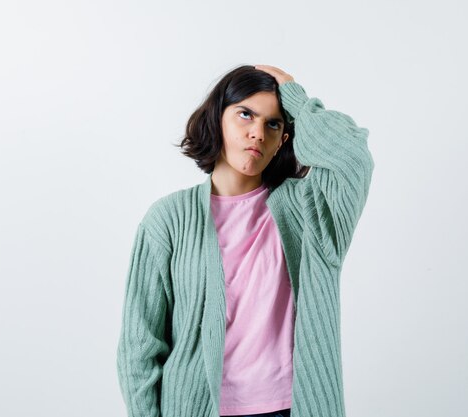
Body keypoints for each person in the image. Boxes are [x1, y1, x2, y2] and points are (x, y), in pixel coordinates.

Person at [116, 64, 375, 417]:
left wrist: (297, 101)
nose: (257, 132)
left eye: (273, 124)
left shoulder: (310, 212)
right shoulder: (168, 220)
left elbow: (352, 158)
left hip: (292, 408)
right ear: (217, 118)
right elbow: (139, 348)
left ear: (285, 139)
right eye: (245, 115)